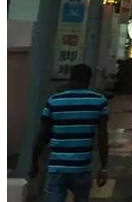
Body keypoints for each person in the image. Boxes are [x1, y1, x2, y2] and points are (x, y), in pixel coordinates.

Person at [30, 64, 109, 202]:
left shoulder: (53, 101)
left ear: (71, 78)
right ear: (89, 79)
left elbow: (42, 136)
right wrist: (103, 168)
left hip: (57, 167)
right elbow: (102, 137)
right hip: (82, 168)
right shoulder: (99, 101)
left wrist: (34, 162)